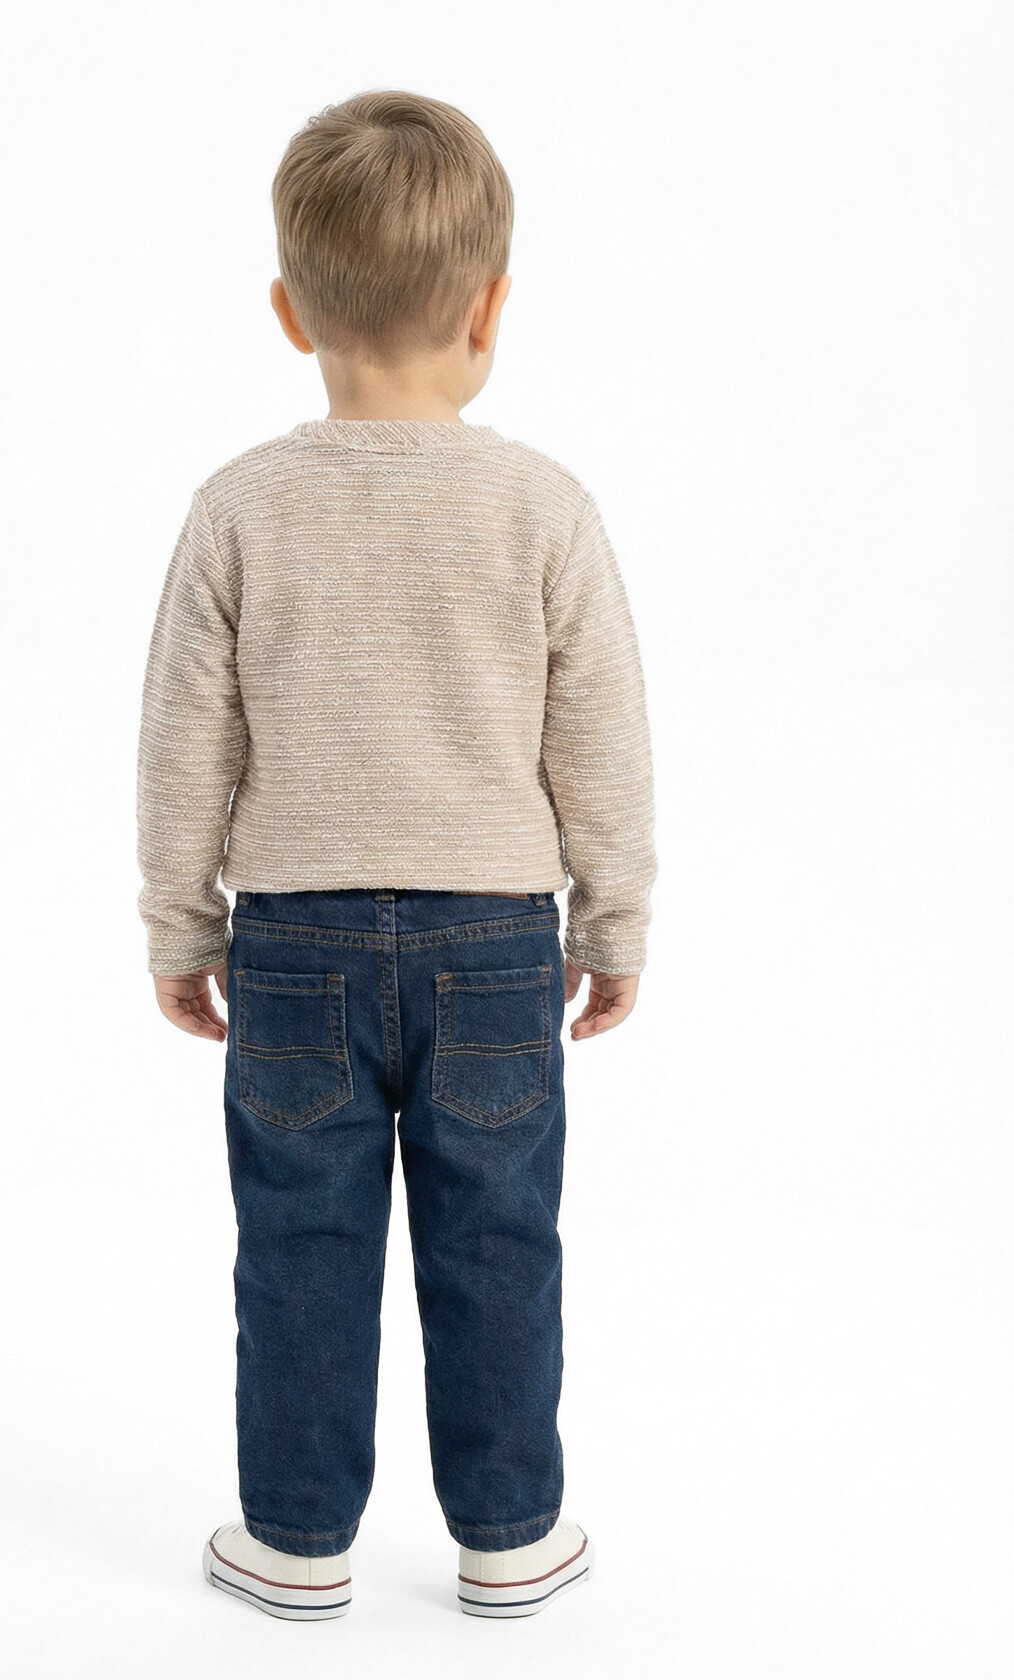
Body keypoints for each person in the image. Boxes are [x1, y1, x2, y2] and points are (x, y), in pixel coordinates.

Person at [136, 88, 657, 1621]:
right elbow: (601, 740)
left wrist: (178, 926)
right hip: (495, 946)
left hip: (291, 947)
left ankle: (296, 1542)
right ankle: (510, 1535)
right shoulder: (542, 509)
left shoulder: (239, 509)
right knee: (496, 1241)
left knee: (298, 1243)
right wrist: (614, 923)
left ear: (290, 311)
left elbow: (182, 745)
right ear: (490, 308)